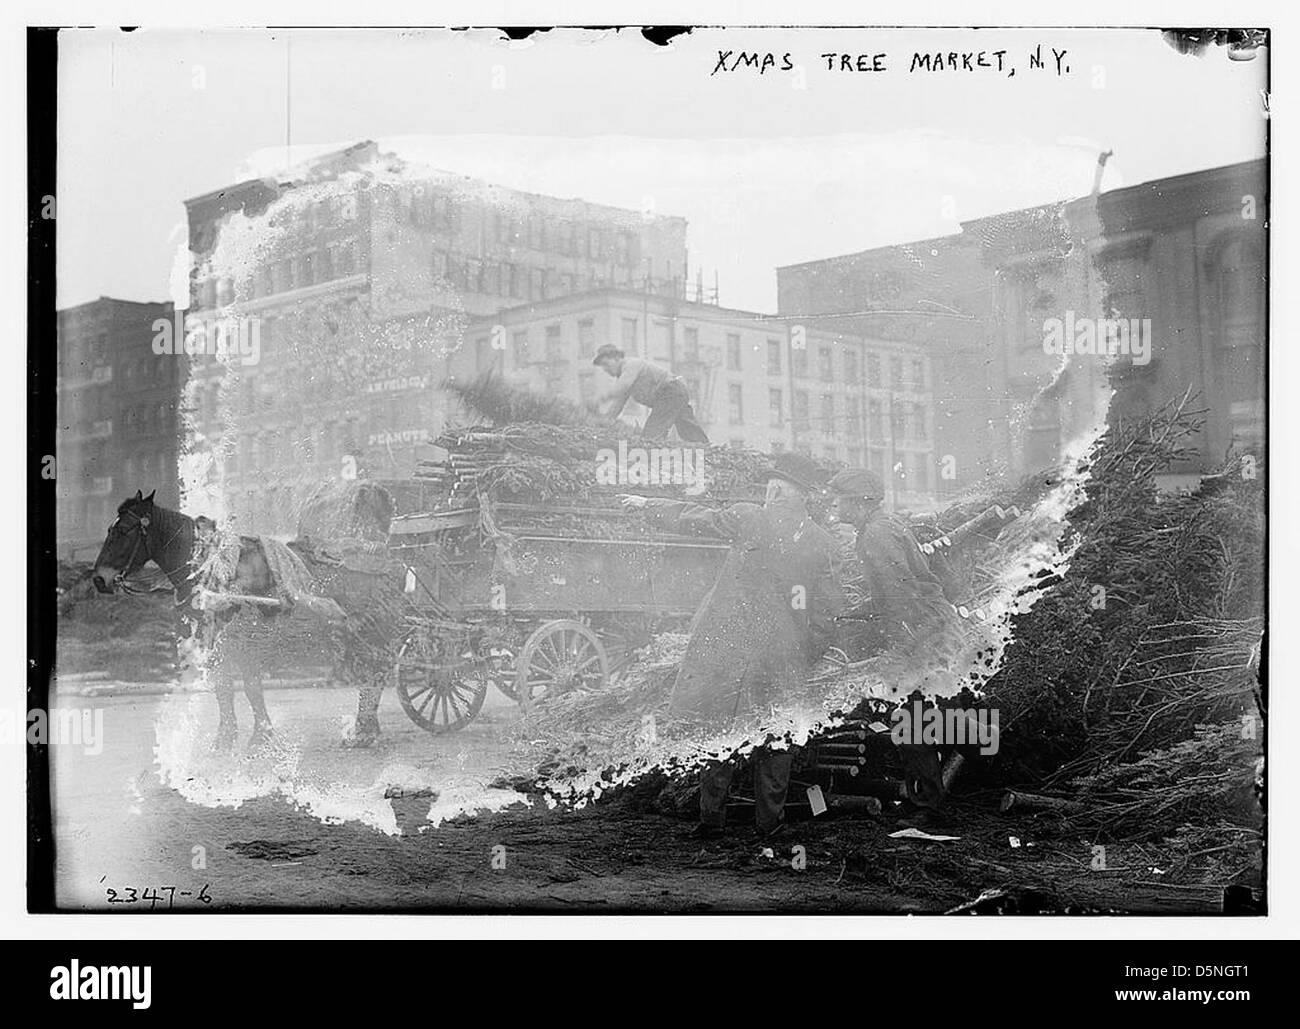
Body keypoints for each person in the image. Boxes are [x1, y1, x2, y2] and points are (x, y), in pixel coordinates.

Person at [621, 452, 844, 837]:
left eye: (774, 485)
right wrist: (804, 656)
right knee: (776, 736)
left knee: (719, 728)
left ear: (778, 491)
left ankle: (711, 821)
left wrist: (647, 505)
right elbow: (827, 613)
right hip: (782, 656)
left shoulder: (749, 518)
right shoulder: (820, 542)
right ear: (805, 495)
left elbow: (696, 518)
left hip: (731, 648)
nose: (770, 491)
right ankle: (768, 826)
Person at [826, 468, 955, 660]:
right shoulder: (881, 524)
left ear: (858, 501)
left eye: (840, 497)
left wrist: (901, 650)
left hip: (927, 631)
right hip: (931, 620)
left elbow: (902, 596)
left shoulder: (876, 533)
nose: (834, 503)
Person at [592, 343, 709, 443]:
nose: (605, 369)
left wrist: (599, 400)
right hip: (674, 394)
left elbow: (622, 386)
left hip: (671, 391)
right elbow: (617, 406)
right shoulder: (624, 377)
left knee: (651, 435)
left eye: (606, 364)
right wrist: (603, 424)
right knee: (690, 431)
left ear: (617, 358)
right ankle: (708, 453)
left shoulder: (631, 365)